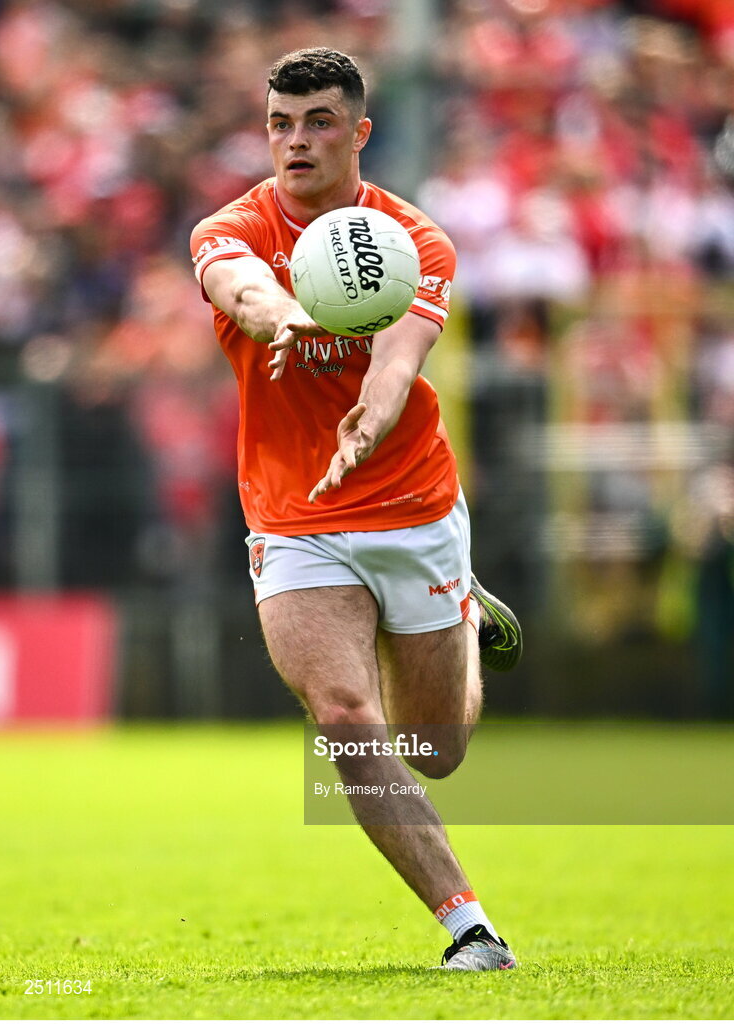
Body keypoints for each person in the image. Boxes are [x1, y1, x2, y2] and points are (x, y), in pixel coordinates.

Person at [190, 47, 522, 971]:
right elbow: (236, 286)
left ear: (359, 132)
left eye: (319, 122)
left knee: (437, 749)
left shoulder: (421, 241)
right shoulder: (232, 227)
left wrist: (369, 419)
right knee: (343, 714)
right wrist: (283, 316)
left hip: (412, 500)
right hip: (294, 516)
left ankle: (460, 607)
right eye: (280, 125)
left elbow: (400, 363)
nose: (296, 142)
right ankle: (470, 925)